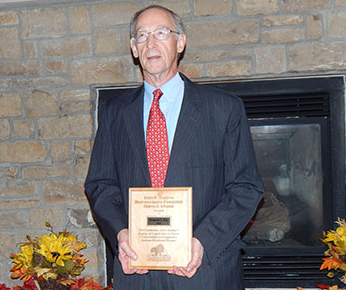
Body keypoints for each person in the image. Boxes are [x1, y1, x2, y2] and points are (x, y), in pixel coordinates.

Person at [84, 4, 264, 290]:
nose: (150, 43)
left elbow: (246, 187)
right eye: (141, 36)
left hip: (205, 272)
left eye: (161, 33)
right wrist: (120, 233)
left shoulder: (223, 109)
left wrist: (203, 241)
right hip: (136, 273)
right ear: (133, 48)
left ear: (180, 42)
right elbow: (100, 184)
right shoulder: (114, 113)